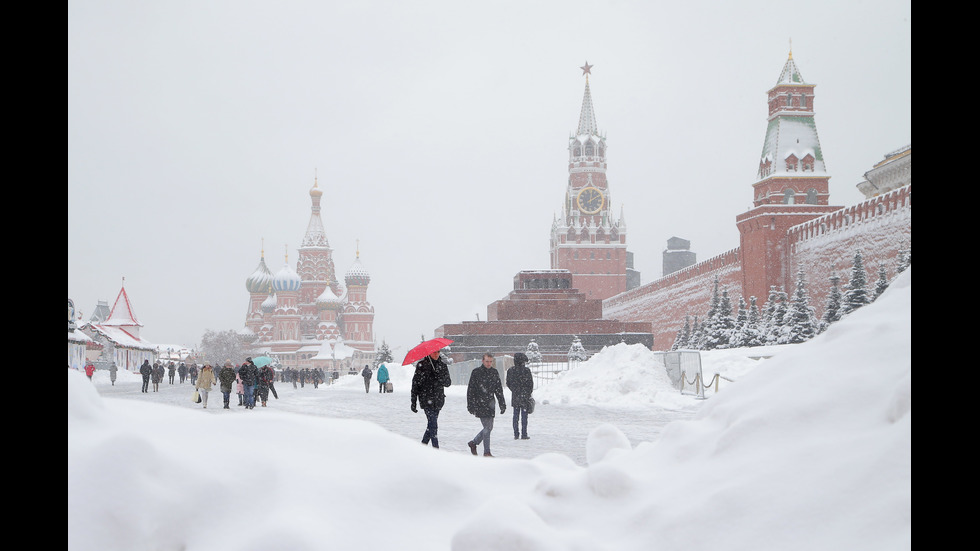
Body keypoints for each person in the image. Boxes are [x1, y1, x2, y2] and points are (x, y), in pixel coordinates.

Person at [466, 352, 506, 457]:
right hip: (480, 403)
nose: (489, 364)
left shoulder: (494, 372)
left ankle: (474, 443)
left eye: (490, 361)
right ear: (482, 361)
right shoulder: (476, 372)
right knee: (487, 428)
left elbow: (499, 390)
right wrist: (470, 404)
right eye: (487, 361)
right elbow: (471, 390)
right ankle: (486, 452)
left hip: (491, 404)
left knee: (489, 428)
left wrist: (502, 403)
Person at [410, 350, 452, 448]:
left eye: (438, 352)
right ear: (429, 353)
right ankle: (435, 449)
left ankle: (423, 446)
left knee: (431, 425)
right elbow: (415, 384)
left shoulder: (442, 365)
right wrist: (413, 401)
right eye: (434, 352)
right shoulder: (421, 366)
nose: (436, 354)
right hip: (426, 399)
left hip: (438, 400)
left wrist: (439, 377)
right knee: (433, 424)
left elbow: (448, 383)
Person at [506, 352, 534, 440]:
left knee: (515, 415)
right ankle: (524, 433)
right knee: (524, 416)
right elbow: (530, 384)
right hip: (525, 397)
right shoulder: (526, 371)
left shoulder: (511, 371)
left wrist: (514, 390)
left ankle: (516, 434)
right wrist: (527, 393)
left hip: (515, 396)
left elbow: (508, 383)